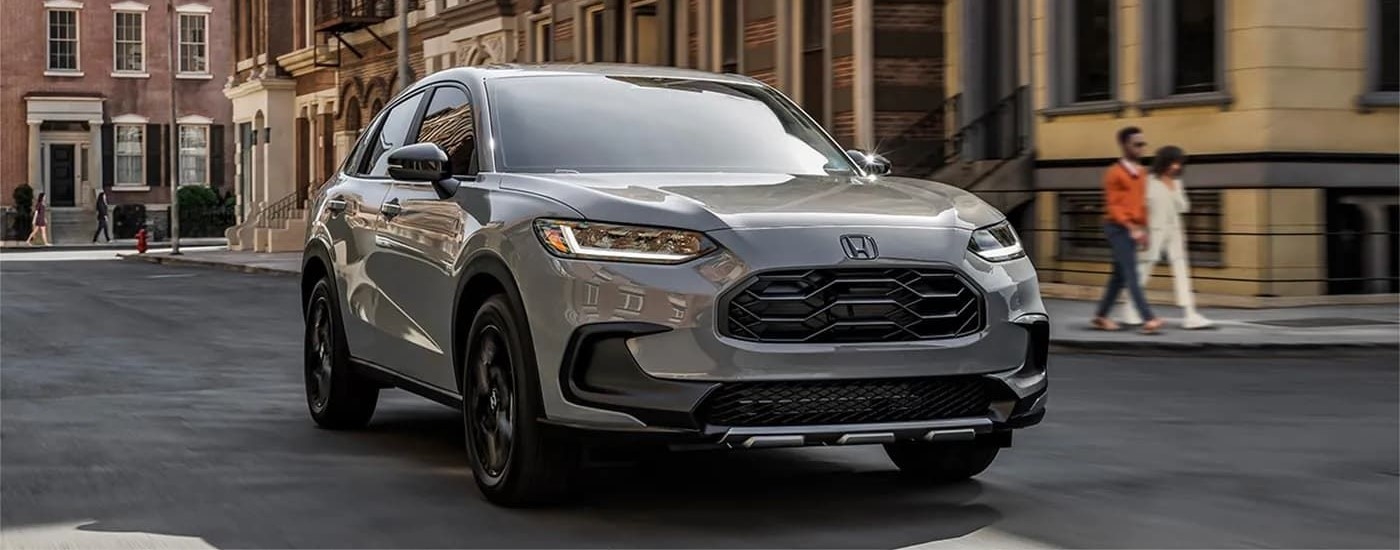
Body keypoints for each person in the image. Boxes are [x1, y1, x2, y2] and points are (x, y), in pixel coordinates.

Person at [1112, 146, 1214, 329]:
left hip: (1174, 232)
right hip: (1153, 232)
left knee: (1182, 271)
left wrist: (1174, 190)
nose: (1177, 166)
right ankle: (1129, 308)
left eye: (1179, 163)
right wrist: (1138, 230)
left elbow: (1184, 207)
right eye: (1175, 162)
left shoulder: (1177, 182)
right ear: (1165, 162)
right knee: (1144, 270)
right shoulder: (1148, 181)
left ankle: (1190, 314)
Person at [1090, 127, 1164, 334]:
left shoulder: (1141, 173)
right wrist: (1132, 228)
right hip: (1116, 227)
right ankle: (1148, 318)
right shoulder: (1114, 173)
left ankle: (1101, 316)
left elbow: (1142, 205)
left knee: (1119, 275)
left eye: (1143, 144)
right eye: (1137, 144)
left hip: (1133, 228)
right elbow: (1113, 206)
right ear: (1125, 146)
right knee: (1131, 273)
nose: (1142, 148)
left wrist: (1144, 229)